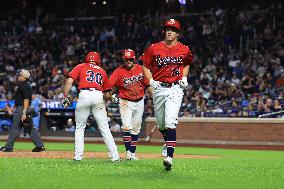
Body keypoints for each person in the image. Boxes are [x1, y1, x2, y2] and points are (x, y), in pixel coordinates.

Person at [141, 19, 193, 171]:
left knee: (170, 121)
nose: (169, 31)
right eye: (167, 29)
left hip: (175, 89)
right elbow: (145, 66)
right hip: (159, 89)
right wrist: (151, 81)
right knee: (161, 124)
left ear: (178, 33)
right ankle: (167, 142)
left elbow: (187, 63)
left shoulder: (184, 49)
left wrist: (184, 77)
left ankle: (169, 156)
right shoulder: (154, 48)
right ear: (164, 31)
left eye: (173, 29)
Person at [62, 51, 120, 162]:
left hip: (84, 95)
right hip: (98, 96)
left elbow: (69, 81)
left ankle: (78, 157)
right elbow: (107, 94)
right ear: (98, 60)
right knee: (105, 128)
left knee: (79, 128)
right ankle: (115, 156)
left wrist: (65, 96)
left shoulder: (81, 66)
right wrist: (112, 98)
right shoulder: (102, 71)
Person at [104, 49, 149, 160]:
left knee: (136, 128)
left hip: (139, 101)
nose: (128, 61)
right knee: (126, 127)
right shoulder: (119, 71)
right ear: (123, 59)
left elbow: (148, 84)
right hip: (125, 101)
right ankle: (128, 152)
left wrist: (155, 97)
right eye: (126, 59)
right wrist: (109, 96)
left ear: (133, 59)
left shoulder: (140, 69)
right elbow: (108, 86)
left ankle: (132, 153)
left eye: (130, 59)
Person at [0, 69, 45, 152]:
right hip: (22, 108)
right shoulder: (23, 85)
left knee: (15, 127)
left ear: (24, 77)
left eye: (20, 75)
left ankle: (8, 147)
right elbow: (19, 99)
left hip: (23, 109)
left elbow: (26, 100)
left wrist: (24, 112)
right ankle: (39, 146)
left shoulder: (25, 86)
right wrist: (14, 108)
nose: (18, 76)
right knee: (30, 128)